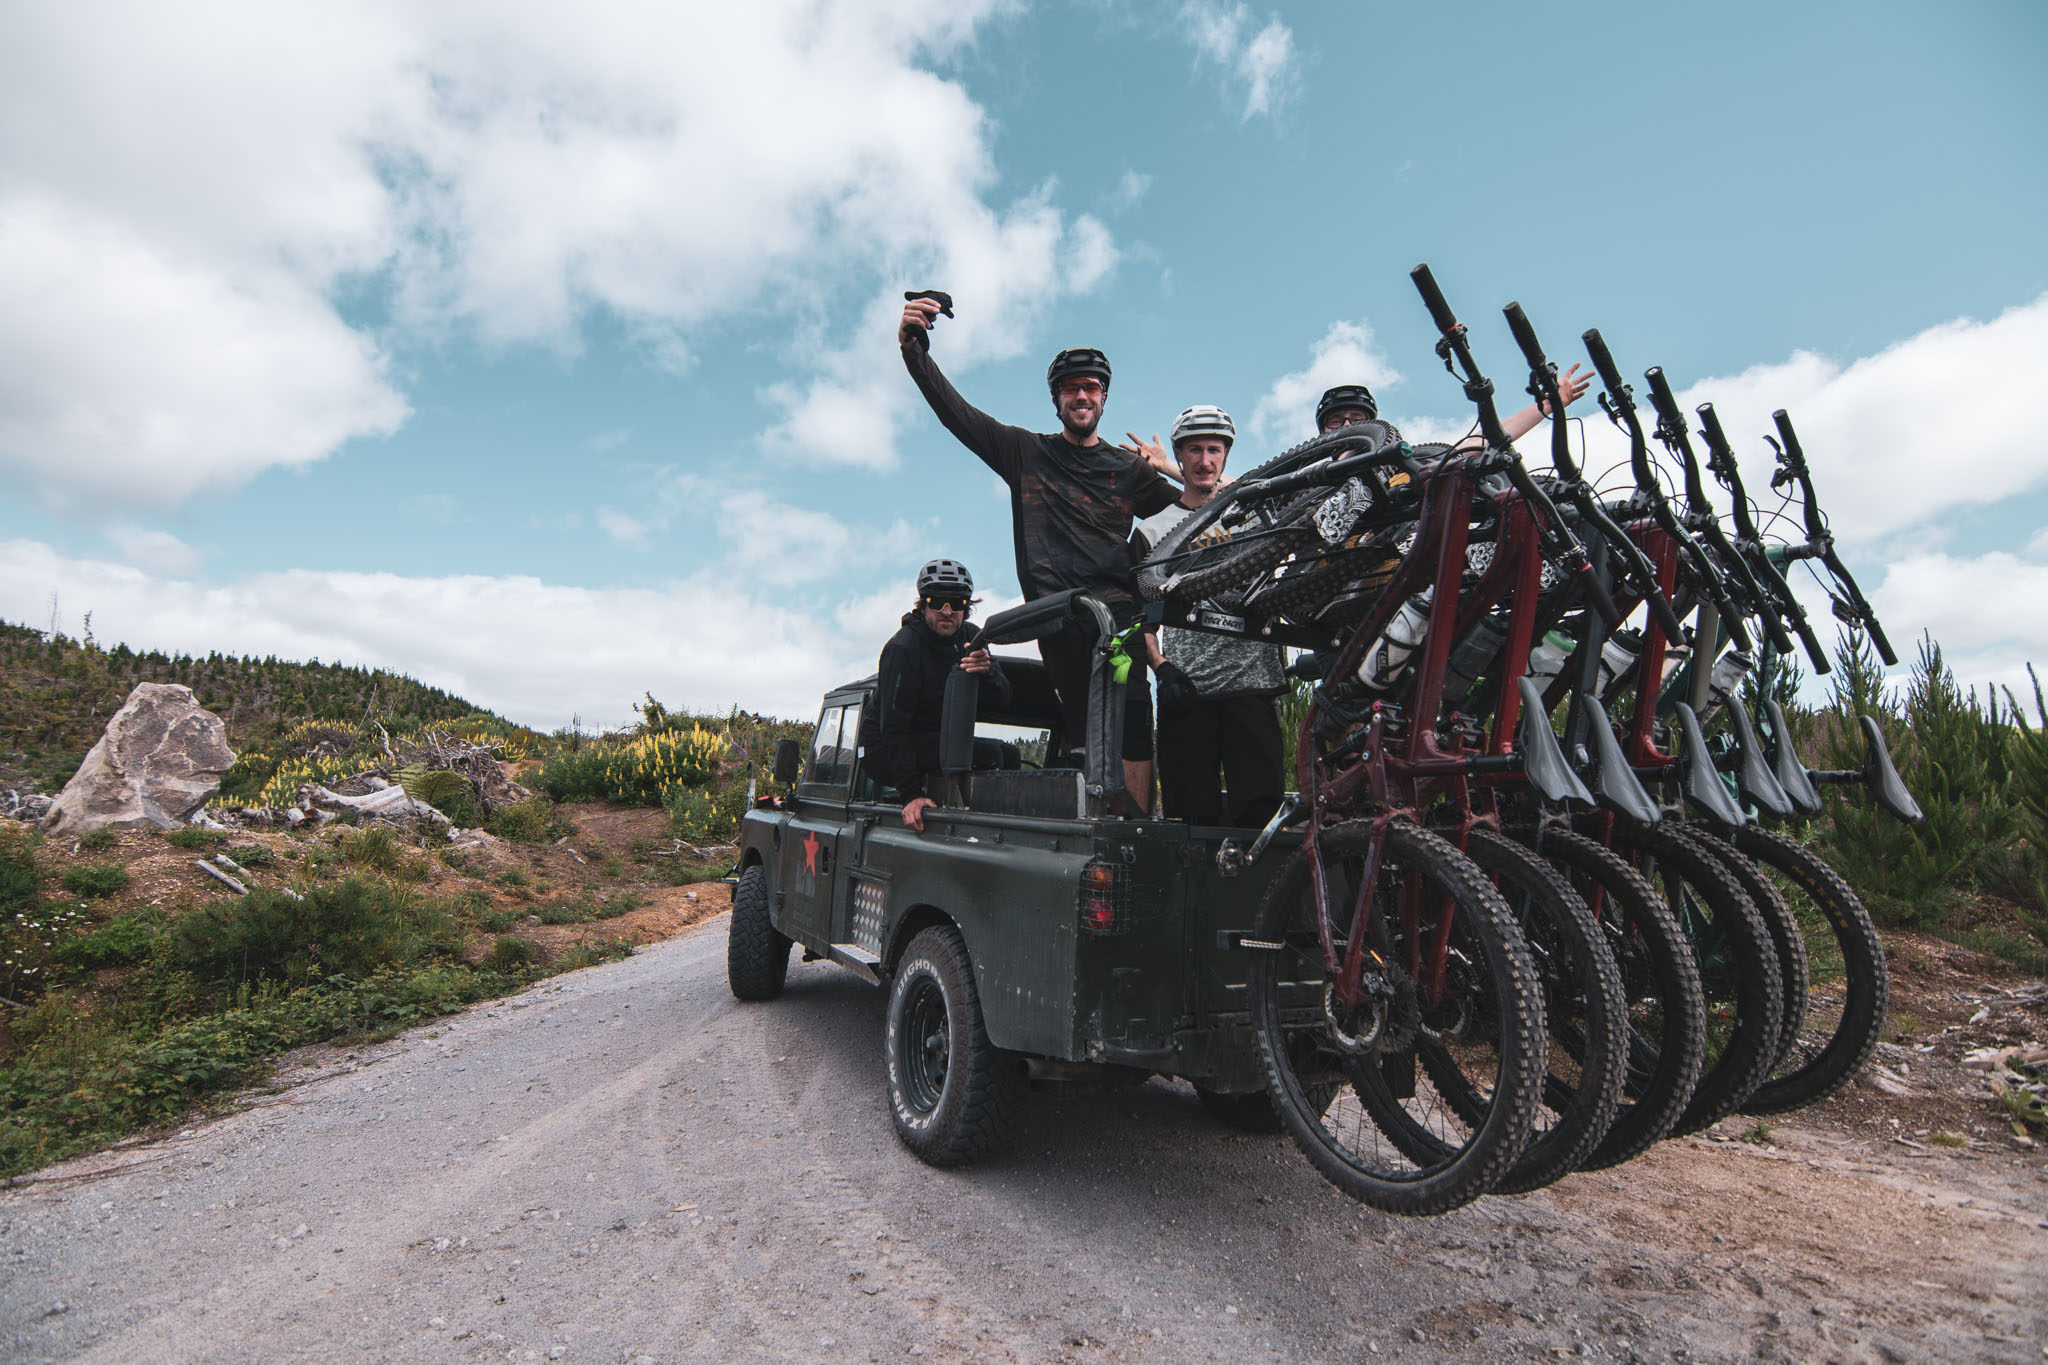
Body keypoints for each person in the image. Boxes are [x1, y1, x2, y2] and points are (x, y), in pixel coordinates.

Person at [899, 297, 1181, 811]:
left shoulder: (1130, 470)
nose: (1082, 395)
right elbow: (956, 414)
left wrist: (1169, 468)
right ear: (1057, 399)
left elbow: (1196, 513)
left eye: (1091, 388)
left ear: (1103, 399)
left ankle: (1140, 831)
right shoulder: (1026, 453)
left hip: (1119, 619)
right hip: (1061, 621)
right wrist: (914, 351)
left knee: (1137, 727)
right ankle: (1107, 830)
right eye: (1072, 388)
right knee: (1088, 737)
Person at [1136, 406, 1287, 827]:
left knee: (1261, 816)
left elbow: (1280, 490)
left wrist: (1168, 467)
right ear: (1180, 456)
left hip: (1252, 685)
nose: (1205, 461)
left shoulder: (1257, 514)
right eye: (1194, 450)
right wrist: (1161, 668)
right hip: (1187, 691)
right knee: (1188, 819)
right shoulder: (1153, 532)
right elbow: (1140, 617)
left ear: (1226, 456)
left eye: (1214, 450)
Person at [871, 559, 1017, 832]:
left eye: (957, 603)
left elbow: (1003, 700)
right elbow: (893, 727)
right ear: (924, 604)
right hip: (887, 745)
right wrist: (911, 795)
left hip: (941, 736)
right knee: (986, 753)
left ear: (967, 606)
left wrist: (989, 673)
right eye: (938, 602)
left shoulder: (972, 638)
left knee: (1008, 754)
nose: (947, 611)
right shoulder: (903, 648)